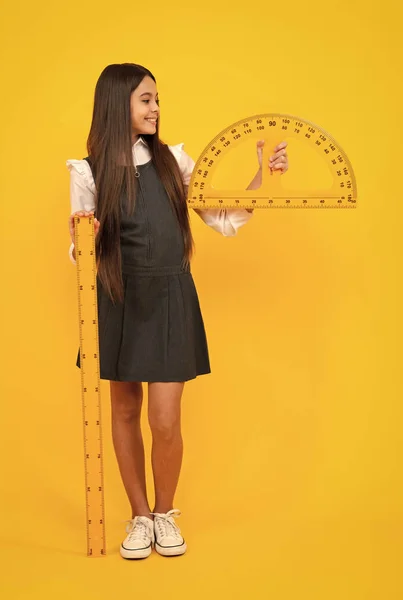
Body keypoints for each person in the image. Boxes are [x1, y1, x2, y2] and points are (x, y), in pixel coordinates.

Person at [66, 63, 289, 560]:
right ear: (116, 103)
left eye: (157, 100)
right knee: (124, 411)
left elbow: (224, 219)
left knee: (165, 420)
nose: (156, 108)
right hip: (117, 297)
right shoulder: (86, 171)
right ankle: (139, 517)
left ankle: (165, 515)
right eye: (146, 99)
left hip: (169, 297)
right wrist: (83, 236)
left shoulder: (175, 161)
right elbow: (78, 253)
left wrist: (263, 176)